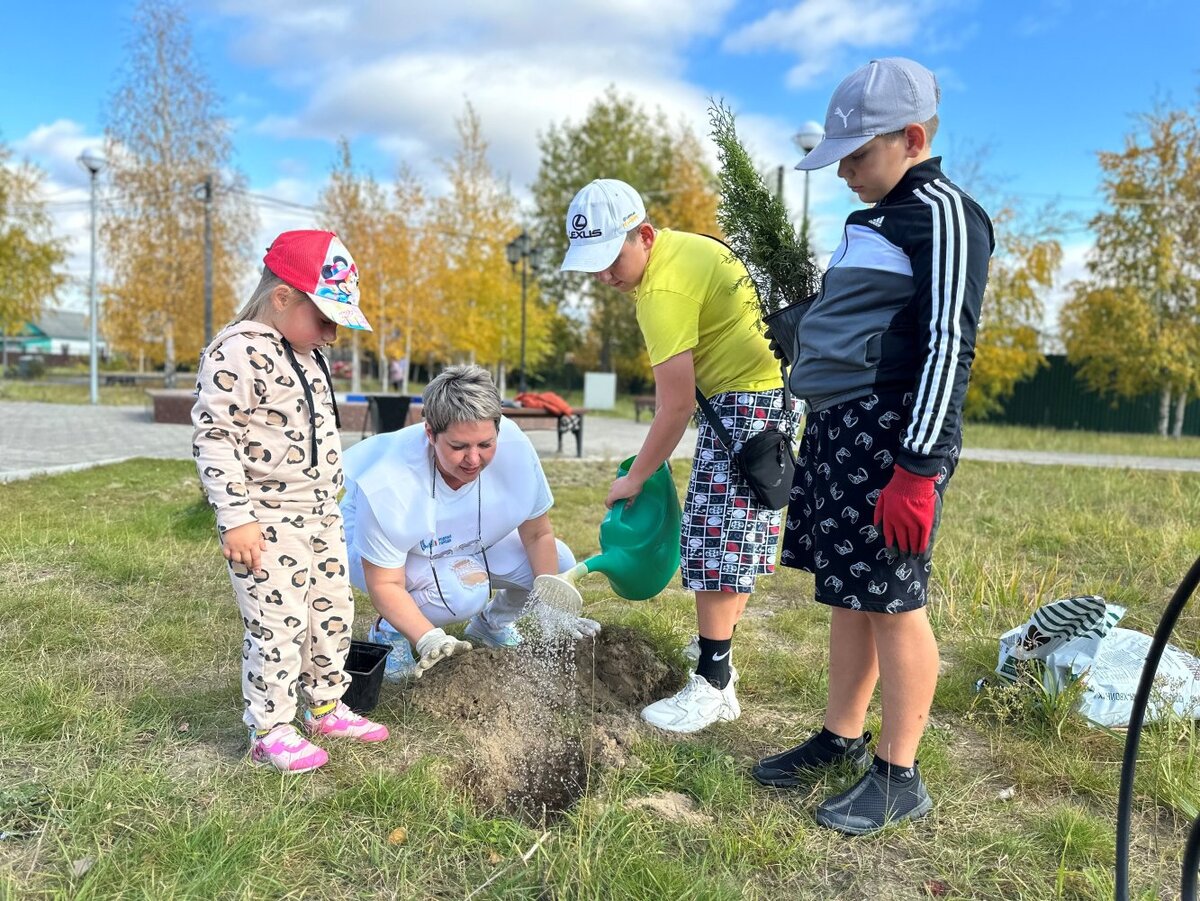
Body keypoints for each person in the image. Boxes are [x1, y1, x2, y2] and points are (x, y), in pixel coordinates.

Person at [756, 58, 995, 835]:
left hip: (895, 436)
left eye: (858, 156)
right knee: (848, 589)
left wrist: (918, 468)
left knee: (893, 599)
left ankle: (899, 771)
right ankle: (839, 735)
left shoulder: (945, 214)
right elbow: (861, 316)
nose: (847, 174)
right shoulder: (874, 220)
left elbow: (945, 346)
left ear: (914, 138)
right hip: (841, 426)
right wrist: (803, 327)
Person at [559, 178, 795, 733]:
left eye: (611, 259)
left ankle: (712, 685)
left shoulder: (662, 290)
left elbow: (674, 406)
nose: (604, 276)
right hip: (766, 401)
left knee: (715, 546)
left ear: (642, 235)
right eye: (592, 264)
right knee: (734, 543)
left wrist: (635, 478)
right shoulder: (684, 250)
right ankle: (721, 674)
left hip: (742, 410)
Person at [192, 229, 388, 775]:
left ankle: (324, 703)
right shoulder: (238, 351)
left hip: (320, 514)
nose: (332, 334)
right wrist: (236, 520)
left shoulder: (307, 351)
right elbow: (215, 436)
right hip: (265, 521)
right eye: (325, 319)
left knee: (330, 612)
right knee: (277, 624)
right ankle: (269, 727)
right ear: (282, 297)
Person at [341, 364, 600, 681]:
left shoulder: (515, 450)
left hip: (462, 536)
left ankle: (490, 625)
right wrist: (428, 637)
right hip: (390, 551)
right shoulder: (391, 483)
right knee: (465, 593)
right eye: (459, 447)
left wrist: (551, 608)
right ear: (430, 433)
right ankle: (388, 630)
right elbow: (385, 583)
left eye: (485, 445)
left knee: (557, 562)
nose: (474, 460)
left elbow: (537, 536)